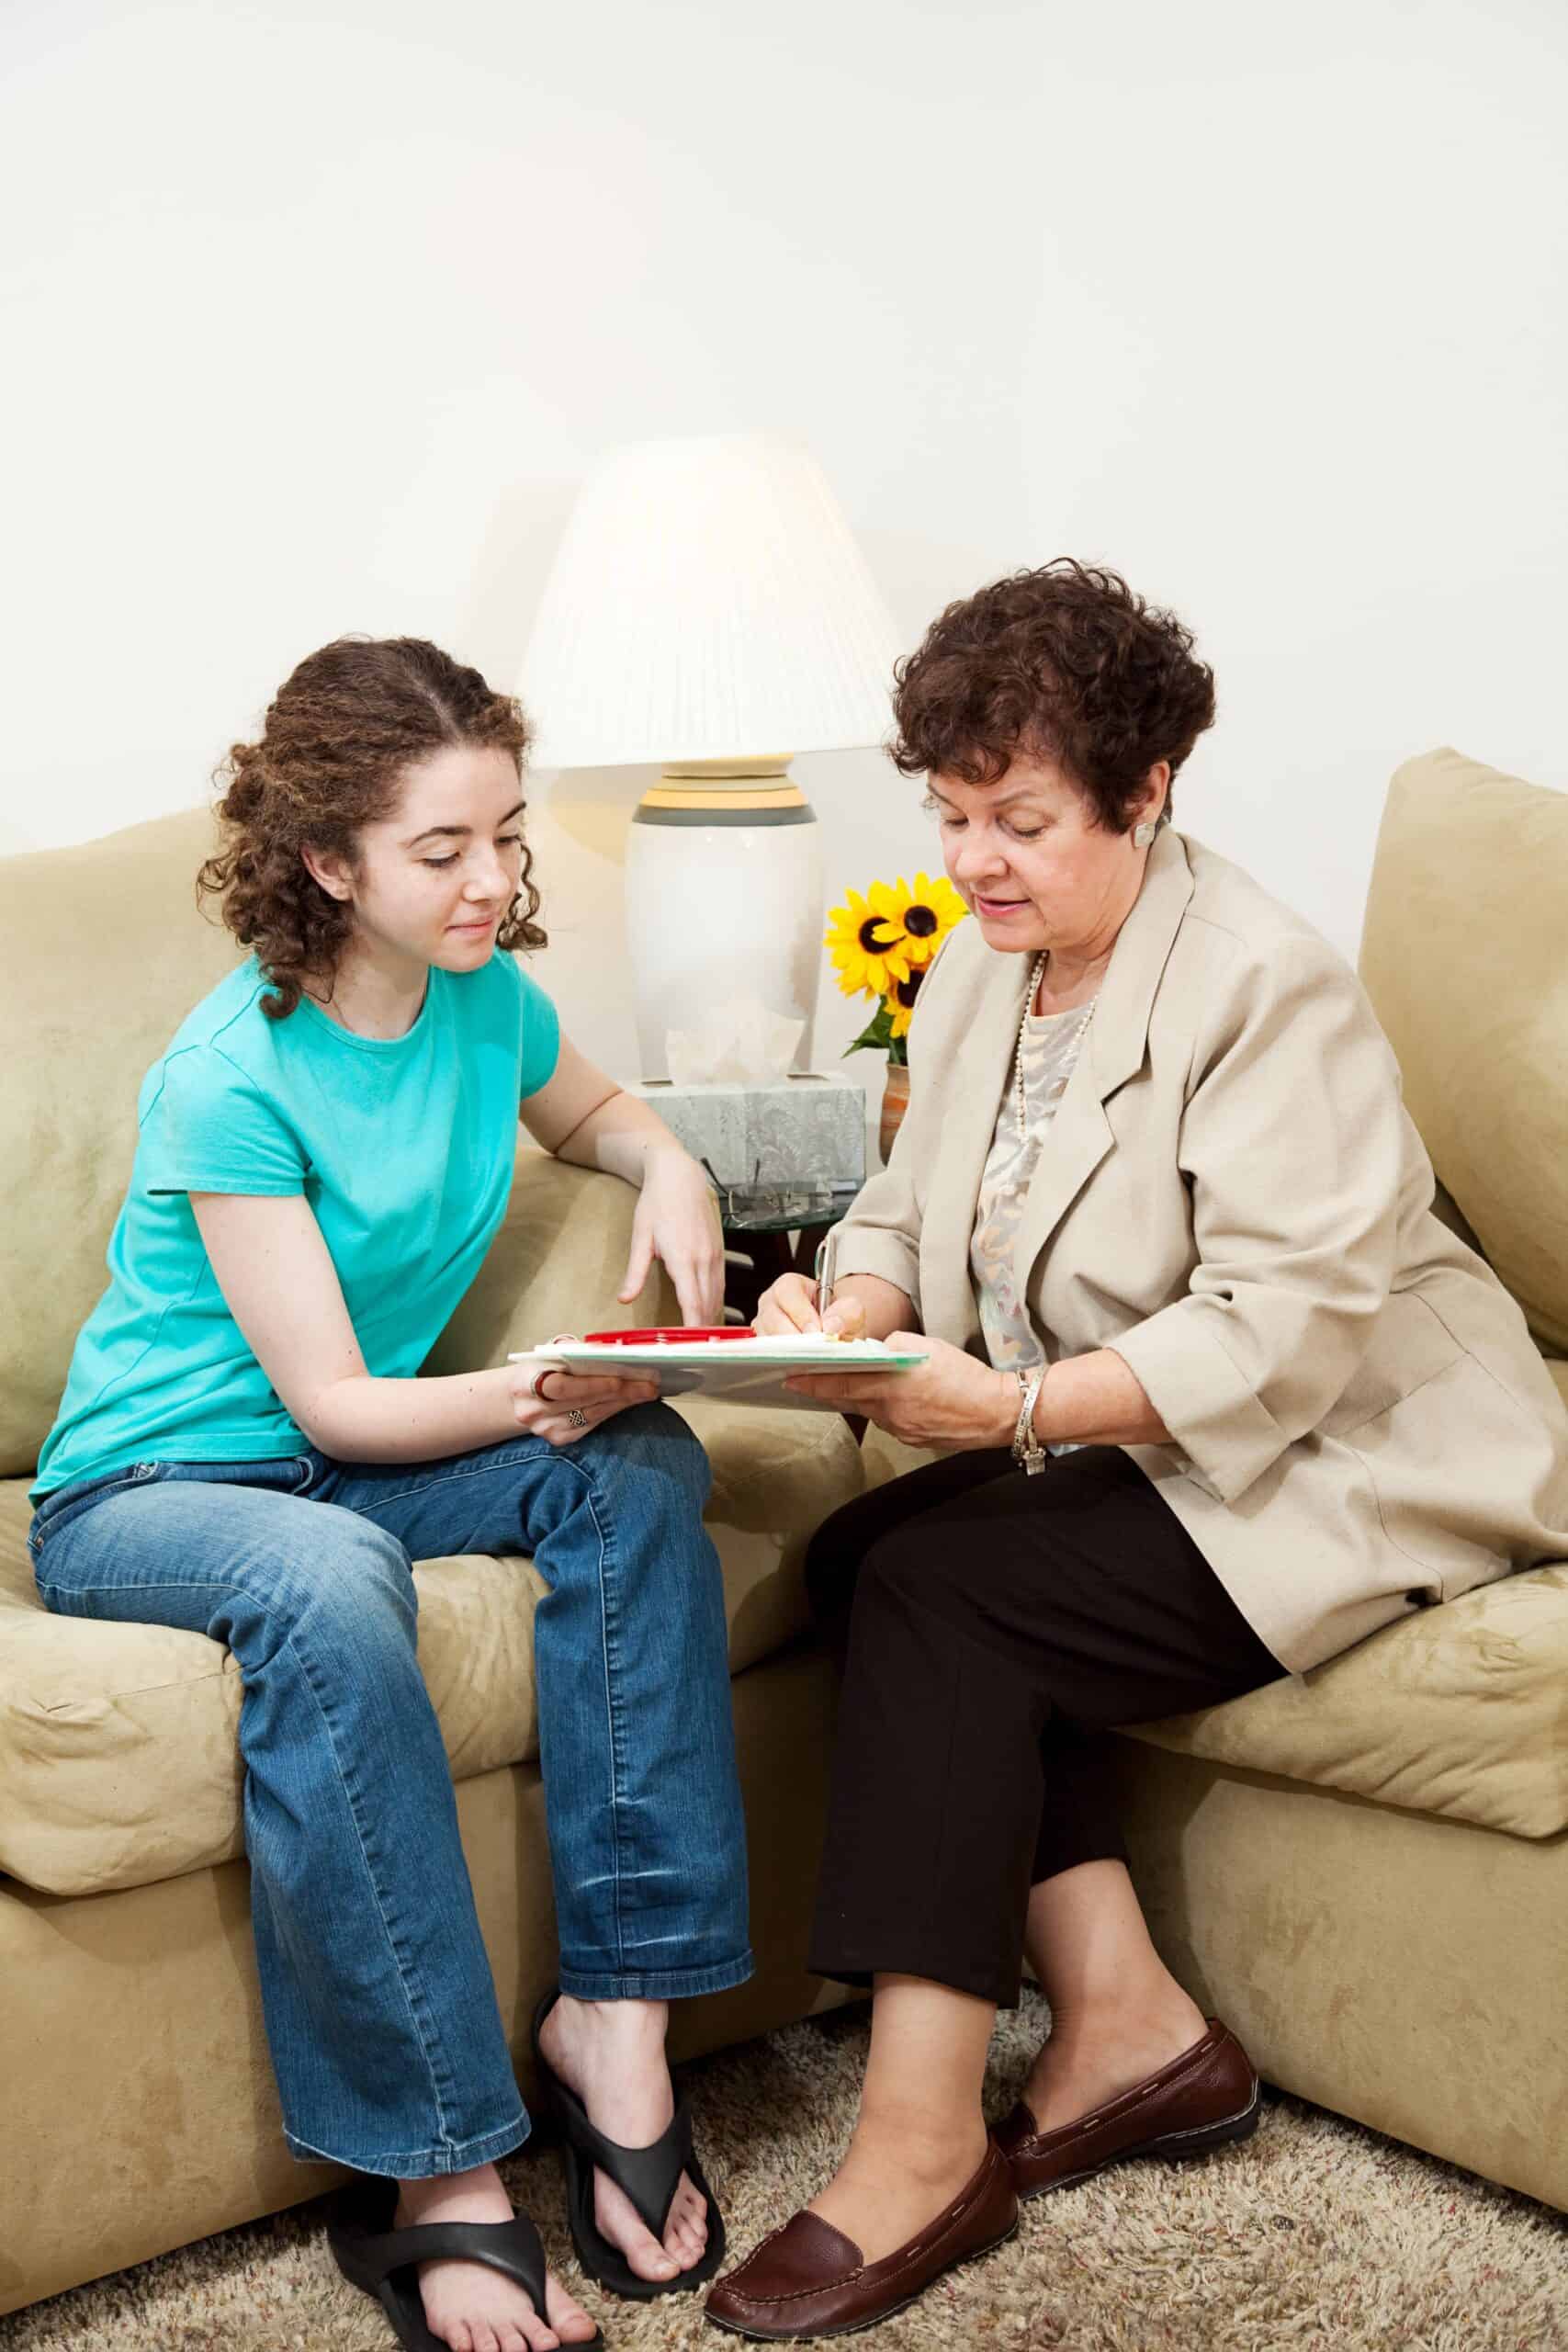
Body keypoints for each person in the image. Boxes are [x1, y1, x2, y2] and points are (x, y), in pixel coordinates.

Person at [703, 560, 1568, 2342]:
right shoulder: (975, 970)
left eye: (1017, 818)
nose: (970, 858)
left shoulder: (1263, 982)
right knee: (870, 1553)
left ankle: (919, 2138)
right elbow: (896, 1193)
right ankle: (1125, 2028)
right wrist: (845, 1302)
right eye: (950, 815)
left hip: (1354, 1437)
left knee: (945, 1591)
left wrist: (1005, 1409)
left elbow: (1281, 1328)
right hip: (1142, 1435)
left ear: (1146, 787)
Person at [28, 637, 750, 2352]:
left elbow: (601, 1114)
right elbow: (334, 1408)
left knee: (637, 1468)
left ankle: (617, 2022)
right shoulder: (234, 1074)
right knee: (326, 1580)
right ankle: (437, 2173)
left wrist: (670, 1160)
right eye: (445, 852)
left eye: (506, 834)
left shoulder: (487, 1001)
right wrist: (548, 1381)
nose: (495, 880)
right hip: (157, 1485)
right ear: (326, 862)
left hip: (353, 1465)